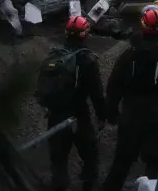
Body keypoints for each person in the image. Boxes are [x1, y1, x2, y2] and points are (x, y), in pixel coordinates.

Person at [101, 9, 158, 191]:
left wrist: (111, 111)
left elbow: (114, 85)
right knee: (156, 167)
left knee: (121, 163)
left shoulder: (130, 54)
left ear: (142, 26)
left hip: (132, 116)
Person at [34, 16, 106, 191]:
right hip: (79, 115)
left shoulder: (54, 56)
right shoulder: (88, 60)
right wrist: (102, 115)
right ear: (85, 34)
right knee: (90, 155)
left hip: (56, 115)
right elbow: (96, 93)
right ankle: (88, 185)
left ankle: (60, 185)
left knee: (58, 159)